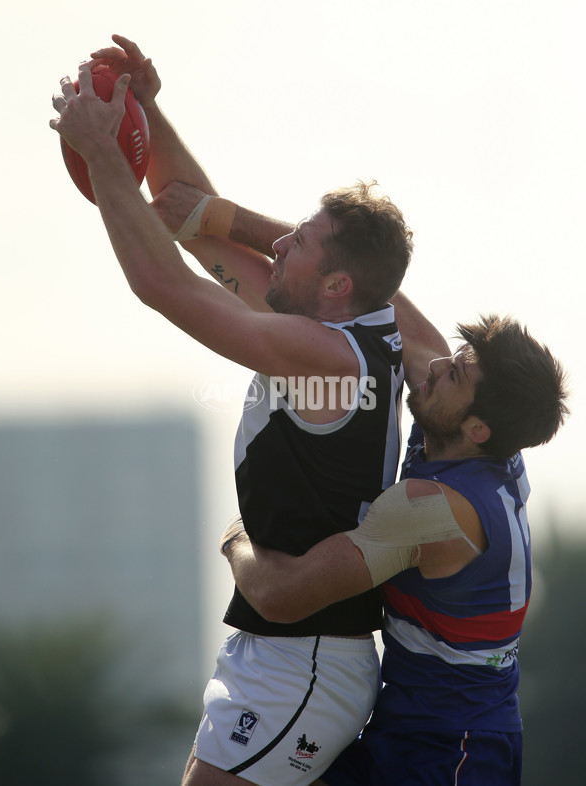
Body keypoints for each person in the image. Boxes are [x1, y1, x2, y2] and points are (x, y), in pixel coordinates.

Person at [49, 37, 445, 786]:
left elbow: (168, 289)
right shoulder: (339, 327)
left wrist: (106, 156)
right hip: (283, 655)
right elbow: (195, 231)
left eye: (301, 241)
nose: (280, 240)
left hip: (305, 663)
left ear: (336, 286)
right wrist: (149, 116)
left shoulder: (329, 357)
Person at [222, 314, 569, 785]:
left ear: (477, 429)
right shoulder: (466, 434)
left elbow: (280, 596)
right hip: (407, 728)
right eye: (454, 356)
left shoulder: (435, 511)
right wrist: (224, 235)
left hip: (454, 750)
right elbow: (372, 295)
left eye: (456, 374)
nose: (436, 365)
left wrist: (235, 537)